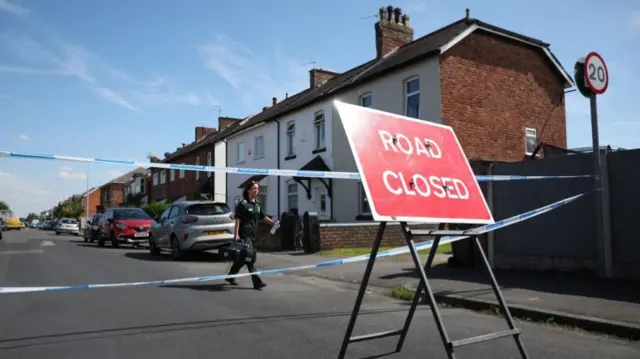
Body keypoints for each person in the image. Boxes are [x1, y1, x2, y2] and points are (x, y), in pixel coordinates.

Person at [226, 180, 279, 290]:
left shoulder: (258, 204)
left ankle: (231, 276)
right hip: (244, 234)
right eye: (254, 188)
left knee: (245, 257)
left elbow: (263, 217)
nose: (256, 190)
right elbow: (238, 220)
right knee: (249, 257)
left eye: (257, 189)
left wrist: (273, 223)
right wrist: (236, 235)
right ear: (249, 190)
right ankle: (257, 282)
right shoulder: (243, 204)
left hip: (253, 235)